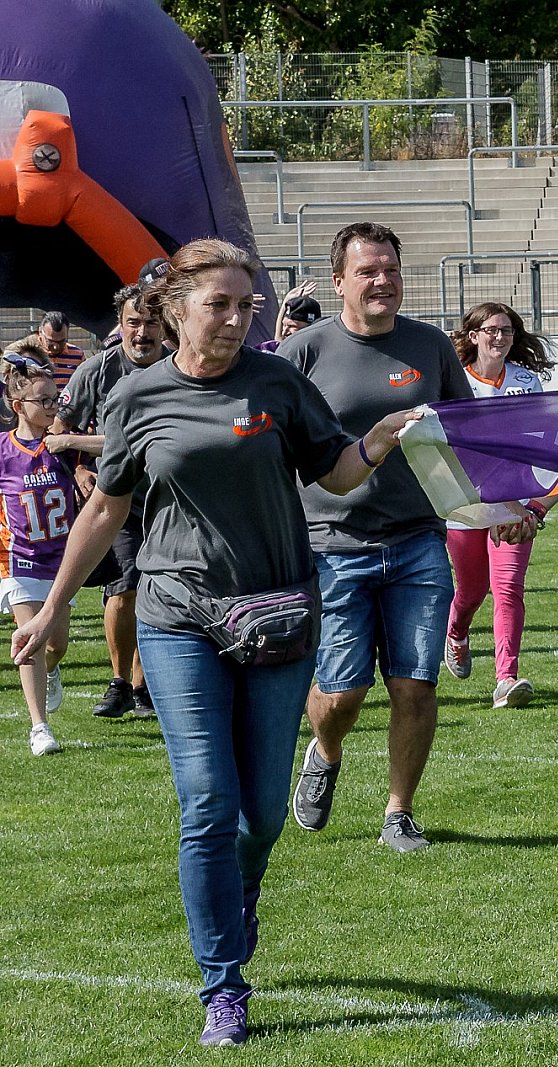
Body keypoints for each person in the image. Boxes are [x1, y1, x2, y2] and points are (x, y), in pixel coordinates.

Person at [11, 237, 417, 1046]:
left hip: (277, 613)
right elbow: (106, 508)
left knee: (259, 813)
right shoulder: (137, 398)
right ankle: (222, 985)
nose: (236, 318)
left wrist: (379, 440)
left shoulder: (277, 381)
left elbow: (332, 471)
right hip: (177, 616)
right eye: (219, 304)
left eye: (246, 304)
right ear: (176, 309)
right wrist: (54, 606)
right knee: (206, 798)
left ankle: (244, 891)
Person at [281, 222, 482, 853]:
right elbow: (272, 439)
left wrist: (497, 503)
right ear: (338, 280)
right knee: (342, 693)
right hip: (332, 542)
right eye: (367, 271)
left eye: (390, 269)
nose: (382, 281)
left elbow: (466, 431)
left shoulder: (430, 347)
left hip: (419, 539)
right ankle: (326, 749)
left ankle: (399, 813)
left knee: (414, 681)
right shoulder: (304, 353)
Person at [53, 283, 167, 720]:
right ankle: (121, 680)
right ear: (119, 326)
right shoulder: (96, 371)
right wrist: (80, 470)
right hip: (117, 500)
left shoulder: (182, 367)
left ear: (166, 325)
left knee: (159, 591)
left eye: (151, 323)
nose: (142, 332)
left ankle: (142, 685)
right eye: (133, 323)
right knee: (125, 588)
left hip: (171, 501)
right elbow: (57, 433)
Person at [443, 301, 555, 708]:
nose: (500, 338)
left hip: (514, 504)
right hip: (468, 504)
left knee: (508, 587)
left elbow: (536, 442)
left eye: (506, 330)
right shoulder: (455, 382)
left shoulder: (526, 381)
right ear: (473, 336)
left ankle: (506, 677)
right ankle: (456, 633)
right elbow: (456, 451)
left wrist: (530, 498)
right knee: (472, 590)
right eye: (491, 330)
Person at [1, 353, 74, 755]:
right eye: (43, 401)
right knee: (30, 637)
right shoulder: (4, 450)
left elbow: (118, 446)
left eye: (54, 399)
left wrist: (72, 442)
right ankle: (39, 727)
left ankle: (52, 670)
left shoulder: (64, 444)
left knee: (55, 644)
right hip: (20, 557)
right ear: (18, 407)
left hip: (62, 558)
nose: (52, 407)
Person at [258, 284, 321, 354]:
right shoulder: (269, 349)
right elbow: (279, 340)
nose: (284, 332)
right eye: (284, 325)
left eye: (292, 326)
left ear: (312, 327)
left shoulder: (322, 352)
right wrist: (286, 301)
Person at [36, 311, 87, 390]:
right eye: (50, 341)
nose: (56, 347)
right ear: (40, 332)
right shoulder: (30, 354)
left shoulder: (78, 356)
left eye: (61, 341)